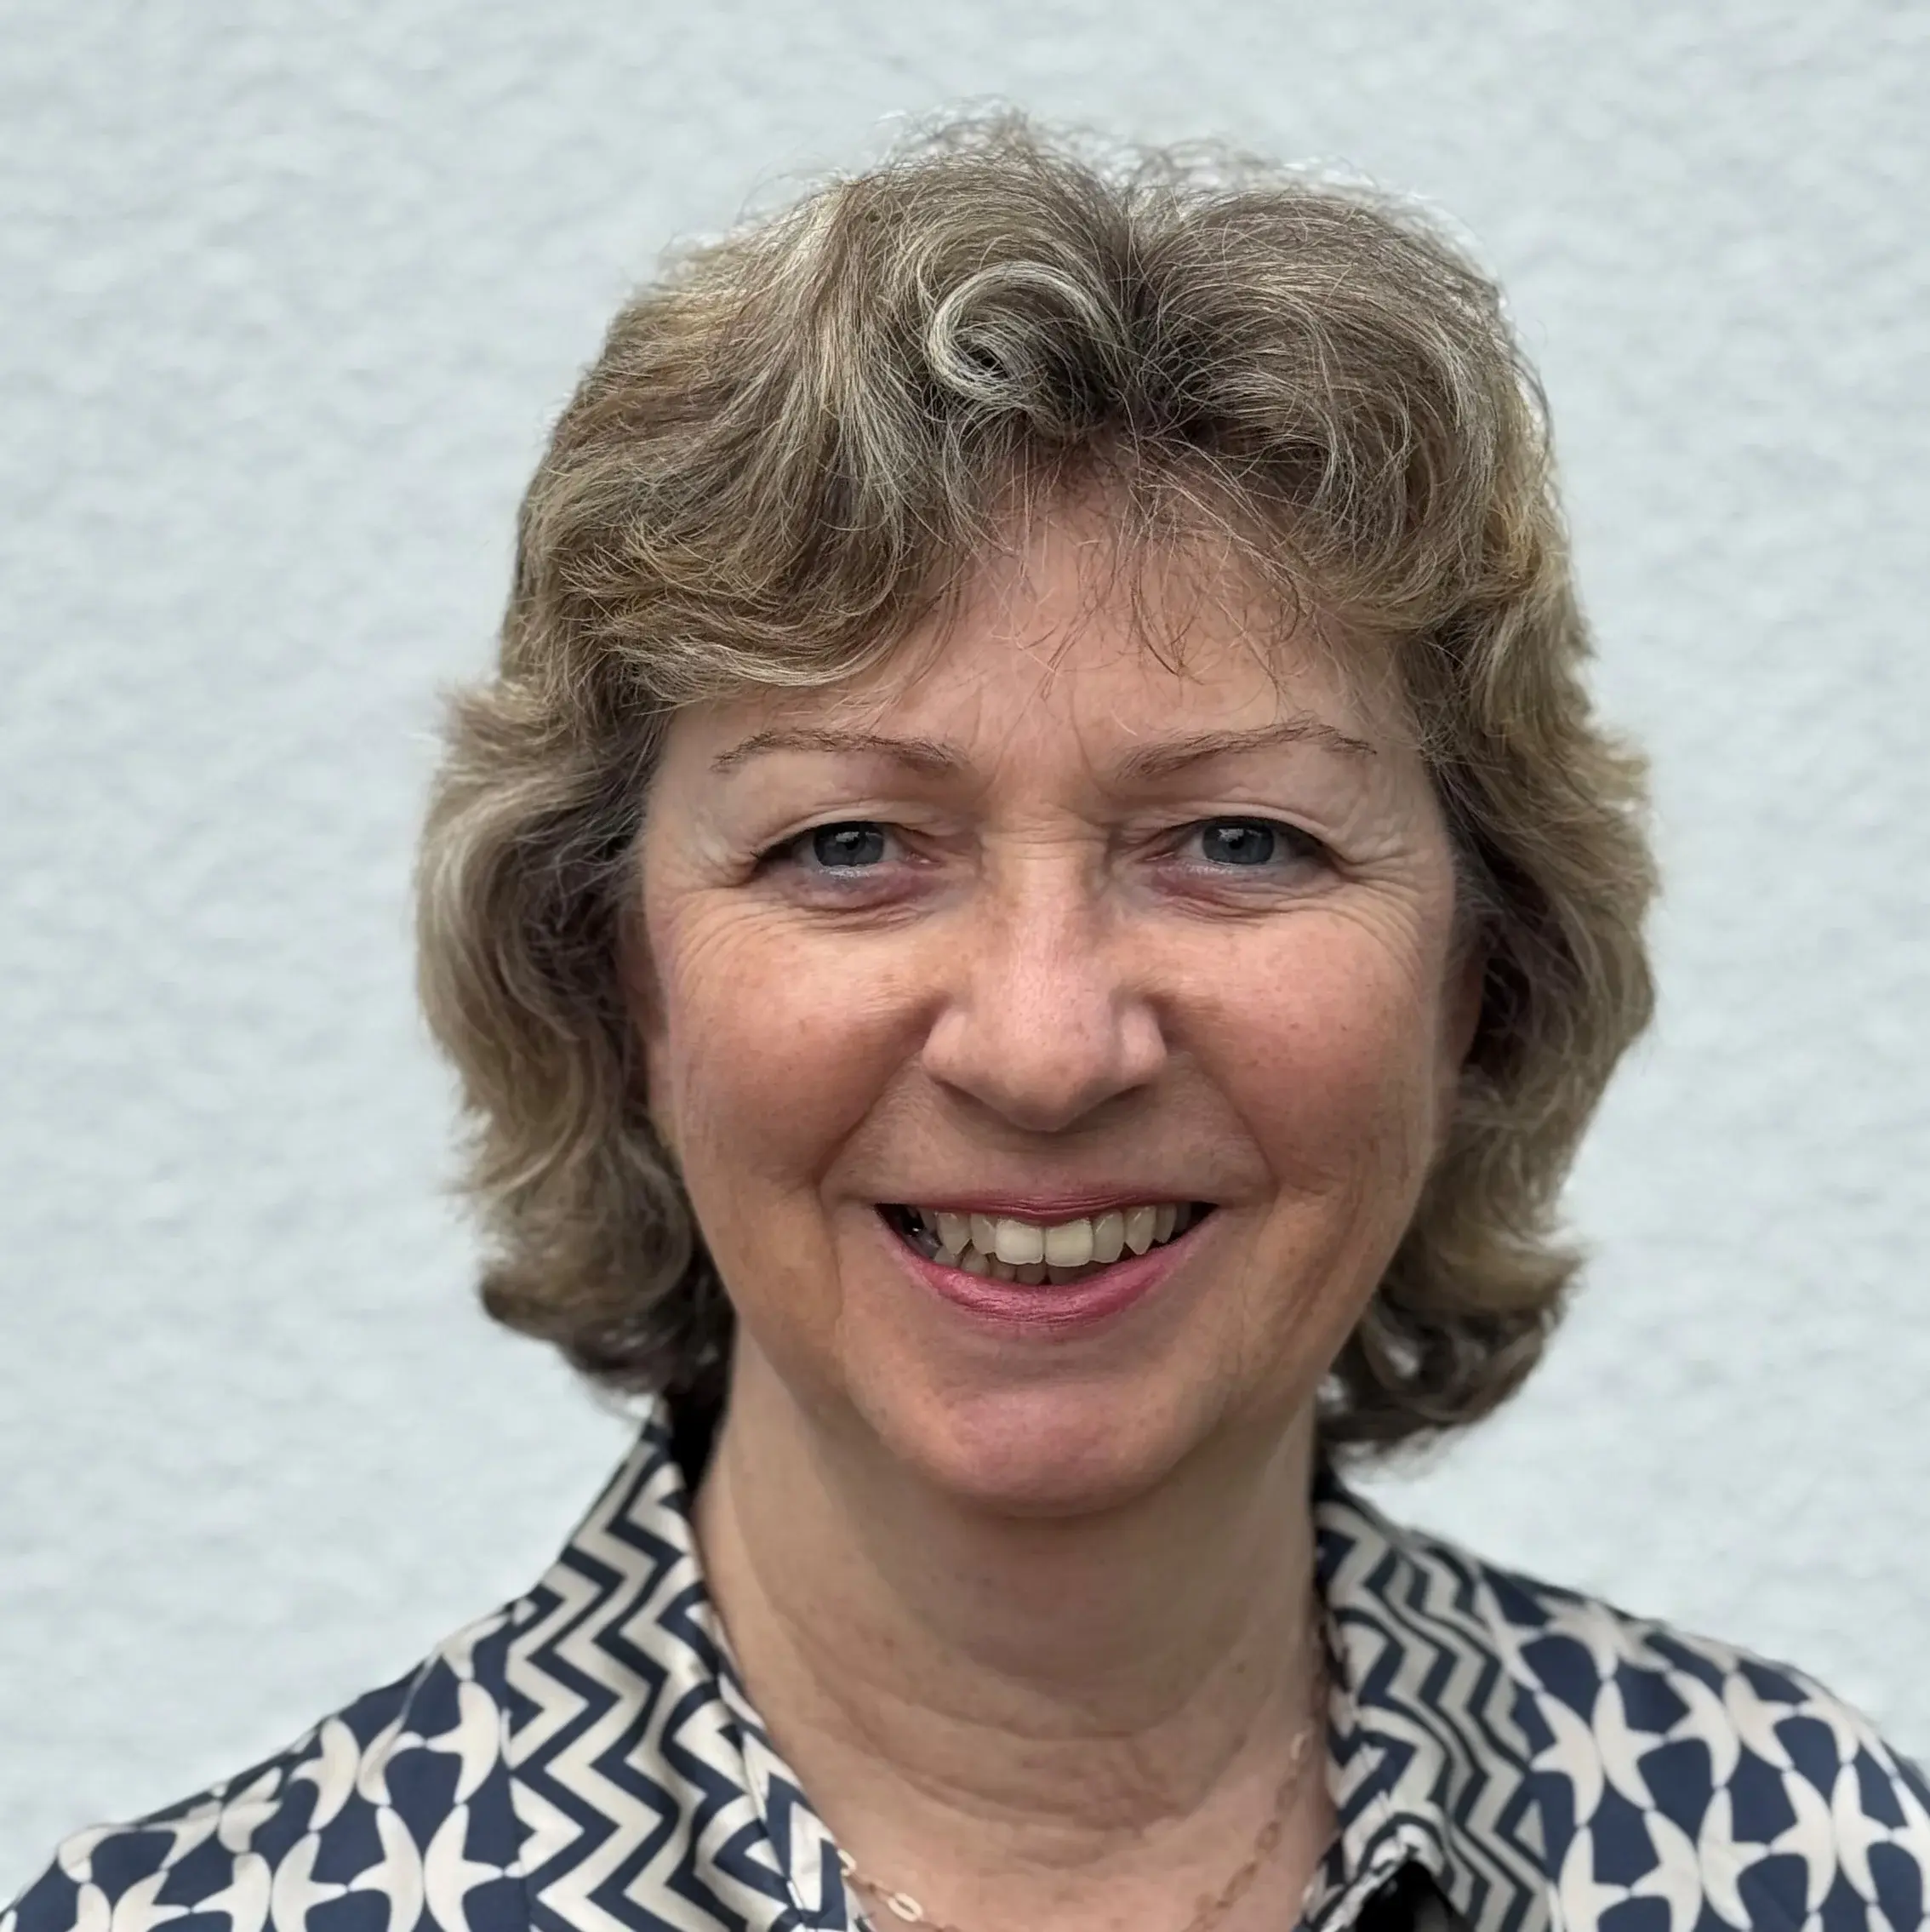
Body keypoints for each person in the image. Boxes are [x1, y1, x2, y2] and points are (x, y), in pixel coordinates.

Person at [8, 114, 1926, 1932]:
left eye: (1236, 839)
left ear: (1479, 980)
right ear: (619, 981)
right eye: (850, 844)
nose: (1042, 1043)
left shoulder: (1815, 1862)